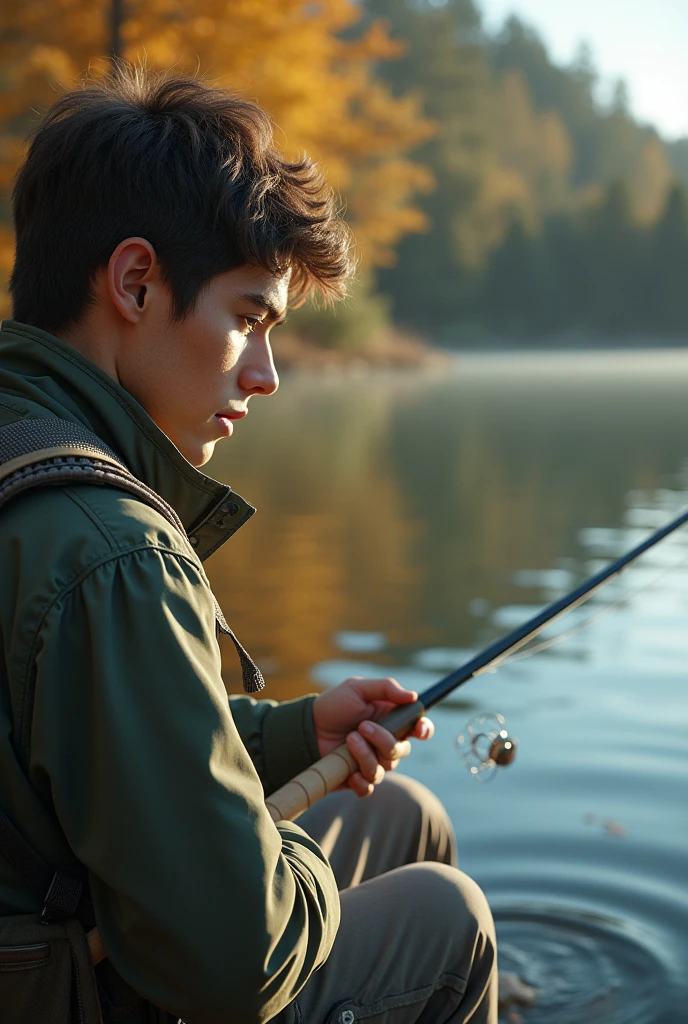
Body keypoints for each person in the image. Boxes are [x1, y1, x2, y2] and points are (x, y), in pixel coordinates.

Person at [0, 67, 497, 1023]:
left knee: (400, 815)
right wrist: (281, 849)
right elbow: (241, 959)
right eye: (247, 320)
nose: (267, 375)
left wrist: (287, 738)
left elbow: (52, 735)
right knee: (449, 919)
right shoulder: (113, 553)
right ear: (136, 283)